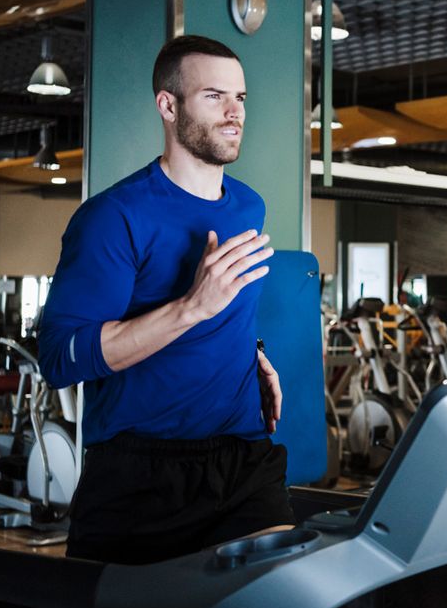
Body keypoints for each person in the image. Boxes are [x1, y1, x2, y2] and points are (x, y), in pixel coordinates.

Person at [38, 35, 293, 565]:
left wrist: (253, 354)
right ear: (168, 105)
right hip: (142, 474)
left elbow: (227, 308)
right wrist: (190, 308)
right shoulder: (113, 217)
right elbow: (60, 358)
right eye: (215, 97)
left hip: (244, 457)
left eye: (241, 98)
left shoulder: (250, 205)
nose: (233, 113)